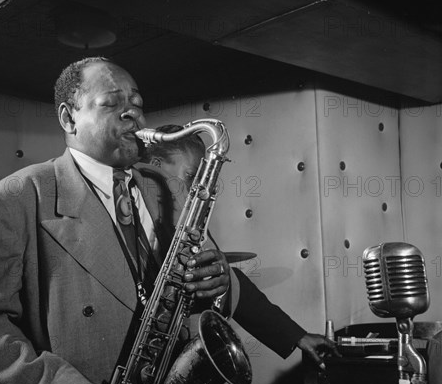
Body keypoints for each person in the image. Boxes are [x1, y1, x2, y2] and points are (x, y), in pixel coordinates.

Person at [0, 57, 243, 384]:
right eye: (112, 103)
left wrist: (219, 283)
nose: (133, 113)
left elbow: (203, 285)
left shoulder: (167, 189)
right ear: (68, 117)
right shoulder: (11, 200)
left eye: (137, 103)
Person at [141, 124, 338, 370]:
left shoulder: (181, 218)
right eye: (192, 176)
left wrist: (297, 336)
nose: (197, 189)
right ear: (156, 166)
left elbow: (231, 282)